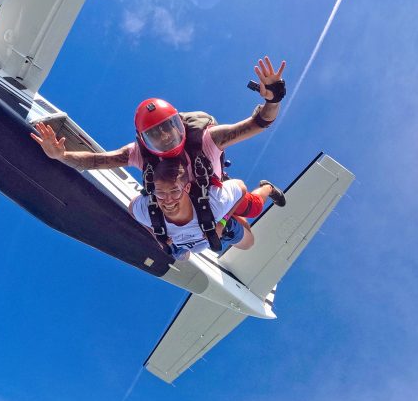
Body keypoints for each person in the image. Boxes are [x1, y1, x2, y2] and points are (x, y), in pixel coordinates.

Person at [31, 56, 288, 233]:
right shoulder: (139, 153)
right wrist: (60, 155)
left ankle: (265, 188)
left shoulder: (207, 138)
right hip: (176, 202)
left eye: (170, 129)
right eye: (156, 135)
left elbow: (257, 124)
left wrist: (273, 98)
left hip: (211, 195)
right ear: (143, 140)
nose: (166, 138)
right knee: (157, 221)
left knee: (251, 208)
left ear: (181, 125)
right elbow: (97, 161)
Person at [128, 158, 279, 259]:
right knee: (179, 256)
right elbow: (132, 209)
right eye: (160, 193)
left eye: (174, 191)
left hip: (212, 219)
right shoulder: (148, 211)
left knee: (249, 239)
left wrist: (222, 223)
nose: (167, 200)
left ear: (186, 188)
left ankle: (268, 188)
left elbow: (241, 187)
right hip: (191, 239)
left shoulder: (215, 203)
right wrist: (156, 235)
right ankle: (228, 214)